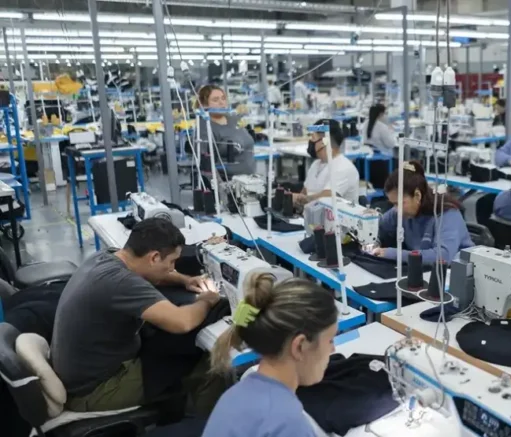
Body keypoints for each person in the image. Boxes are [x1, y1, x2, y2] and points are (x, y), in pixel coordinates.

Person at [51, 218, 223, 412]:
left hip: (84, 375)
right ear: (154, 257)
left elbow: (152, 274)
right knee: (208, 360)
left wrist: (185, 280)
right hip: (96, 391)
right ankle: (201, 419)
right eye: (172, 262)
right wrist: (207, 300)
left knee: (168, 345)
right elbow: (182, 322)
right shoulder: (120, 282)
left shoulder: (106, 257)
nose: (172, 268)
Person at [202, 273, 338, 437]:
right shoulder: (288, 425)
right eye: (330, 340)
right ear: (299, 346)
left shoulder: (234, 395)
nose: (333, 349)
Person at [373, 161, 474, 265]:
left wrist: (392, 253)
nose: (396, 210)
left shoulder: (448, 214)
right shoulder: (401, 211)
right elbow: (380, 226)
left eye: (398, 203)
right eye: (393, 204)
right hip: (425, 270)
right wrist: (374, 241)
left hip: (457, 271)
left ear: (417, 195)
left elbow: (443, 256)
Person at [293, 119, 360, 205]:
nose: (310, 142)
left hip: (334, 213)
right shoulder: (316, 165)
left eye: (313, 138)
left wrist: (304, 199)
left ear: (324, 142)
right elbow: (303, 194)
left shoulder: (344, 167)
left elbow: (328, 197)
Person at [197, 84, 255, 176]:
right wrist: (221, 184)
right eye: (215, 100)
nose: (221, 103)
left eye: (223, 98)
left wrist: (244, 110)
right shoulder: (204, 128)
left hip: (249, 180)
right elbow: (206, 166)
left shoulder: (233, 118)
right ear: (204, 105)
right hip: (227, 181)